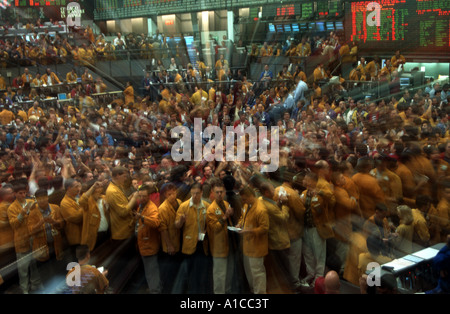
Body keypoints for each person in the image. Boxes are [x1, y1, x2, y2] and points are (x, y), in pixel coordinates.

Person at [174, 183, 212, 293]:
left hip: (203, 244)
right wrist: (181, 220)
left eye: (197, 193)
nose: (195, 196)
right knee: (190, 272)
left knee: (203, 272)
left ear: (201, 193)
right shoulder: (184, 206)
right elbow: (176, 225)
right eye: (193, 193)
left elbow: (209, 224)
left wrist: (205, 232)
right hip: (189, 243)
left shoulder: (206, 206)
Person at [7, 181, 42, 294]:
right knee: (23, 271)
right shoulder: (11, 208)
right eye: (20, 193)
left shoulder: (31, 202)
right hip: (22, 241)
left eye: (24, 193)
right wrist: (22, 213)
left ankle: (37, 284)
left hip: (33, 238)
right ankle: (24, 290)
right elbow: (13, 225)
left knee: (34, 265)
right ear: (15, 194)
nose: (23, 195)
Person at [300, 172, 334, 287]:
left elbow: (331, 197)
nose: (303, 181)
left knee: (319, 253)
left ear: (312, 181)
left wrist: (319, 192)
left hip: (317, 228)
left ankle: (319, 277)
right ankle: (311, 273)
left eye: (305, 179)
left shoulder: (321, 193)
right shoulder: (304, 193)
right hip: (306, 228)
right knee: (308, 253)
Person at [27, 188, 65, 287]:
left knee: (59, 271)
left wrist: (54, 222)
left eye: (44, 197)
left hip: (56, 245)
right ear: (36, 200)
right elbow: (30, 231)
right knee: (45, 275)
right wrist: (40, 223)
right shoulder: (33, 213)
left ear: (47, 197)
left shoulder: (55, 208)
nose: (42, 200)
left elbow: (63, 224)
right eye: (39, 198)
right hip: (41, 248)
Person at [259, 181, 291, 293]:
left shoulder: (260, 200)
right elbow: (283, 218)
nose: (275, 191)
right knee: (284, 270)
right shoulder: (268, 206)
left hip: (272, 241)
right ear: (267, 192)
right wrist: (285, 205)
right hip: (279, 241)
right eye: (273, 189)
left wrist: (279, 204)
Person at [236, 186, 269, 294]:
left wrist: (250, 230)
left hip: (257, 246)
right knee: (250, 272)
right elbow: (243, 217)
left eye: (244, 199)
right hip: (248, 245)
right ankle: (254, 290)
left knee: (257, 273)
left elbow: (264, 228)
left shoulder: (260, 209)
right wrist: (239, 224)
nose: (243, 201)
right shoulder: (247, 205)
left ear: (251, 196)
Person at [205, 180, 234, 294]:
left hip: (229, 244)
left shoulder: (226, 204)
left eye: (221, 192)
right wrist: (225, 216)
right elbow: (215, 228)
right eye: (217, 192)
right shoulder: (211, 209)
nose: (219, 194)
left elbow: (228, 222)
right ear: (212, 192)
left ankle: (227, 291)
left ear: (225, 191)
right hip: (218, 246)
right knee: (219, 275)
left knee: (229, 273)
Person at [134, 184, 162, 294]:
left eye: (144, 196)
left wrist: (142, 217)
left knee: (151, 271)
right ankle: (154, 288)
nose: (142, 198)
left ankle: (155, 291)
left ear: (149, 196)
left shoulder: (151, 208)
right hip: (143, 243)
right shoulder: (141, 206)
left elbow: (156, 223)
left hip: (149, 244)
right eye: (140, 196)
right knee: (149, 270)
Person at [158, 182, 182, 293]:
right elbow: (163, 229)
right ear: (165, 196)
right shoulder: (163, 208)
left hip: (180, 240)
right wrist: (169, 245)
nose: (172, 196)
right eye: (169, 194)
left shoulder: (180, 203)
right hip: (170, 243)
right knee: (169, 272)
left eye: (173, 193)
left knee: (178, 270)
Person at [105, 166, 138, 242]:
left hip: (127, 229)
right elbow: (123, 212)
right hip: (122, 233)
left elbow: (123, 202)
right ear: (117, 176)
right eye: (124, 176)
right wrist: (134, 198)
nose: (126, 179)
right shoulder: (112, 191)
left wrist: (130, 197)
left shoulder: (118, 186)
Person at [79, 181, 109, 252]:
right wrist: (93, 187)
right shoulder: (88, 201)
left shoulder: (104, 198)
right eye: (96, 189)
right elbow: (81, 201)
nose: (98, 190)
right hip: (93, 236)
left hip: (106, 233)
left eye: (100, 188)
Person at [60, 178, 84, 263]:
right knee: (78, 262)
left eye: (79, 186)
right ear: (69, 188)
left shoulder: (76, 198)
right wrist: (83, 206)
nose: (79, 189)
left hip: (83, 235)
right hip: (75, 238)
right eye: (76, 187)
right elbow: (75, 218)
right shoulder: (65, 203)